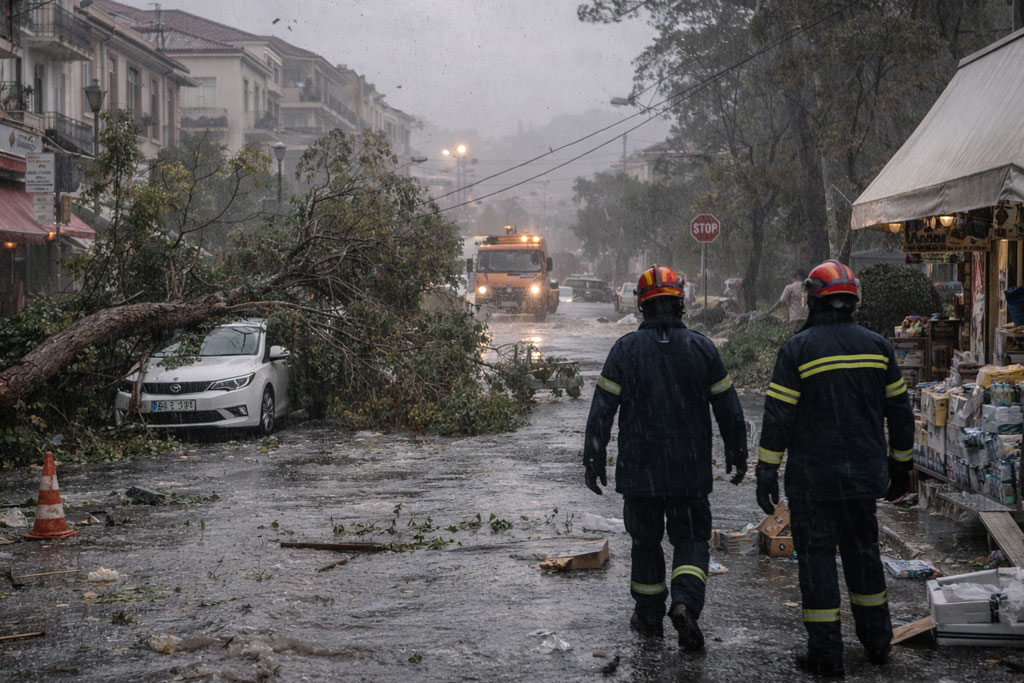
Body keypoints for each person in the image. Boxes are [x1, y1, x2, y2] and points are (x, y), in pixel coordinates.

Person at [755, 260, 914, 677]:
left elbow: (778, 419)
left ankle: (826, 655)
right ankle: (878, 643)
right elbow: (899, 414)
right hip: (864, 478)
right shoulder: (878, 348)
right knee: (864, 555)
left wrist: (765, 471)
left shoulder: (797, 350)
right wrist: (902, 467)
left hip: (813, 480)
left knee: (818, 562)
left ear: (812, 299)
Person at [583, 264, 748, 649]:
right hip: (688, 470)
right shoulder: (703, 349)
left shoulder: (624, 350)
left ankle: (648, 617)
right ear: (680, 303)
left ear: (642, 305)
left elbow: (602, 409)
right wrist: (738, 451)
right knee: (691, 538)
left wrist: (593, 458)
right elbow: (729, 408)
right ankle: (686, 603)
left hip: (639, 471)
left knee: (645, 542)